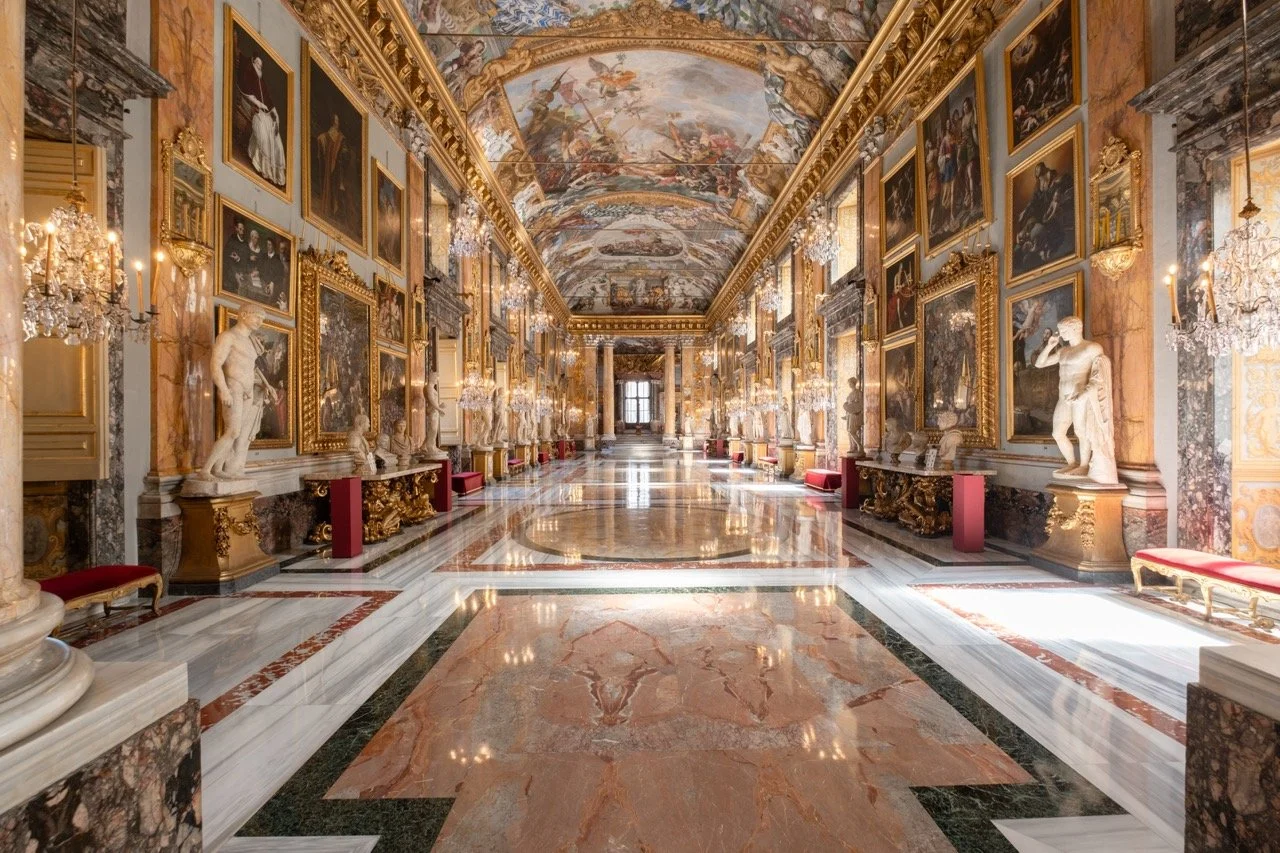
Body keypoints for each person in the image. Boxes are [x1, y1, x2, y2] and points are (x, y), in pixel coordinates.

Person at [1034, 316, 1118, 484]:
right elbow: (1039, 364)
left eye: (1064, 330)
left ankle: (1085, 465)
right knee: (1058, 433)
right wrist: (1049, 346)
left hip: (1080, 396)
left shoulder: (1091, 348)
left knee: (1081, 432)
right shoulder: (1063, 351)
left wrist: (1086, 393)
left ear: (1076, 329)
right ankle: (1072, 463)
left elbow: (1099, 373)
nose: (1062, 334)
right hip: (1063, 397)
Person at [199, 305, 278, 480]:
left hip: (248, 390)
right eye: (257, 317)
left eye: (262, 319)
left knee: (238, 433)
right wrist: (223, 390)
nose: (260, 322)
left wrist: (267, 385)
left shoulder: (250, 341)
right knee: (233, 431)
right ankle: (205, 470)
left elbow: (252, 367)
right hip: (234, 387)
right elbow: (216, 364)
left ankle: (218, 469)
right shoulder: (228, 337)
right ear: (243, 315)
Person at [236, 52, 286, 186]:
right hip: (256, 112)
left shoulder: (261, 81)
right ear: (253, 62)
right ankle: (263, 169)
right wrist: (259, 104)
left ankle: (274, 176)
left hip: (266, 114)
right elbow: (246, 93)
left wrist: (276, 118)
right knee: (263, 134)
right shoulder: (248, 75)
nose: (259, 67)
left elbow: (268, 99)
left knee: (277, 143)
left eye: (261, 65)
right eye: (257, 63)